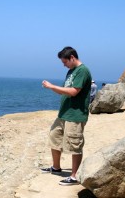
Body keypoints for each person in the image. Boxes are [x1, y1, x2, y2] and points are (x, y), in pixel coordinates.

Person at [41, 46, 92, 185]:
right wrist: (51, 88)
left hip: (75, 114)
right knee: (54, 137)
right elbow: (64, 90)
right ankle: (56, 168)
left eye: (65, 62)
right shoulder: (71, 71)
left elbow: (74, 91)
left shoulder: (83, 71)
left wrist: (52, 86)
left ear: (72, 58)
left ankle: (74, 176)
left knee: (75, 144)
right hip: (64, 113)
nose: (63, 65)